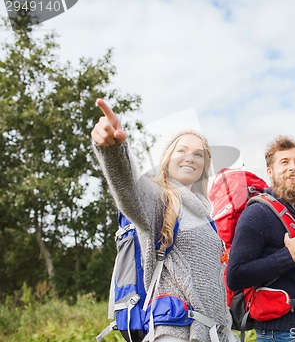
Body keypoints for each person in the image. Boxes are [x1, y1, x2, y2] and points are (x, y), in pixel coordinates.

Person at [91, 98, 234, 342]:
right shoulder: (159, 200)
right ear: (168, 158)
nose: (190, 157)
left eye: (198, 154)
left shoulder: (207, 218)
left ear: (204, 166)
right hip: (175, 333)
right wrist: (113, 150)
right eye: (182, 150)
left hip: (216, 335)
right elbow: (129, 190)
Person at [226, 136, 295, 342]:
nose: (292, 168)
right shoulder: (258, 213)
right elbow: (235, 276)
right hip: (278, 332)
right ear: (270, 172)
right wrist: (288, 256)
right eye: (284, 162)